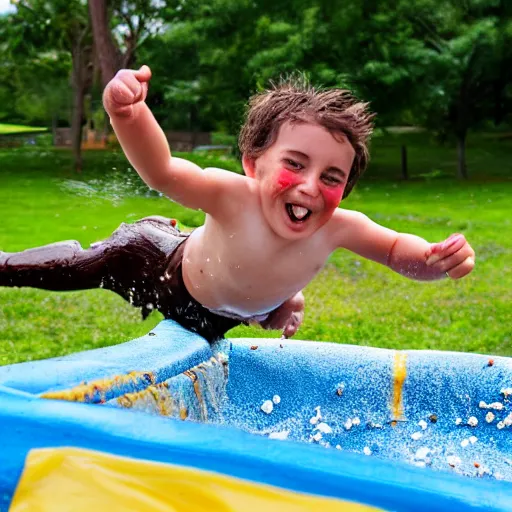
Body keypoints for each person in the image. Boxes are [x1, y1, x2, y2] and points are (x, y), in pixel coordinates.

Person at [0, 66, 475, 342]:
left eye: (332, 177)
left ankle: (278, 301)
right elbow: (163, 169)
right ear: (253, 164)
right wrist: (128, 113)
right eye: (295, 164)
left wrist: (432, 261)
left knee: (271, 306)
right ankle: (5, 265)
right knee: (82, 267)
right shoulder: (231, 195)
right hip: (157, 265)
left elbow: (396, 252)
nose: (310, 187)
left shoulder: (340, 228)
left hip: (217, 313)